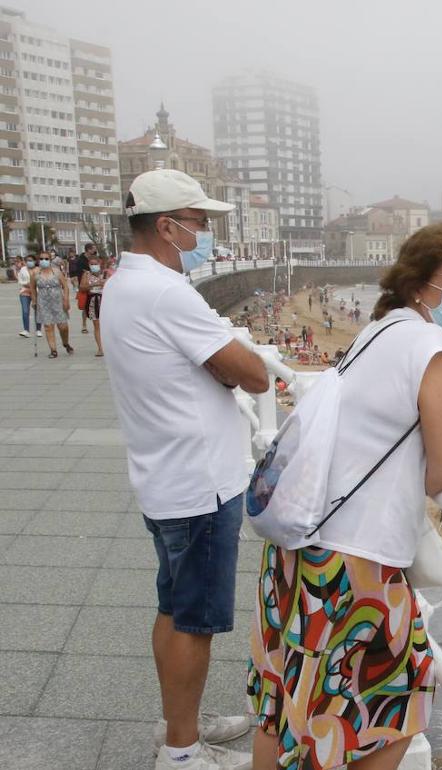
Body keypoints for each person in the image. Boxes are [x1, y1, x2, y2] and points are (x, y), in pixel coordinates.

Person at [247, 220, 442, 770]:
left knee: (285, 706)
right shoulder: (432, 345)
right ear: (418, 284)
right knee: (397, 705)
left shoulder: (377, 331)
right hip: (354, 567)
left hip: (298, 549)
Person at [102, 170, 269, 770]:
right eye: (197, 221)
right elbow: (253, 374)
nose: (204, 231)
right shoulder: (167, 293)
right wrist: (233, 357)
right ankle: (180, 752)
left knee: (172, 609)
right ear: (166, 226)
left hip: (164, 474)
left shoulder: (124, 283)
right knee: (193, 623)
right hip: (199, 484)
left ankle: (181, 723)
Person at [28, 250, 73, 358]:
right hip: (43, 301)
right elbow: (33, 288)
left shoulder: (56, 271)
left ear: (50, 260)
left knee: (63, 326)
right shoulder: (35, 273)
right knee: (48, 326)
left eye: (46, 259)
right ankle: (53, 350)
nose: (44, 261)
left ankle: (65, 343)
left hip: (58, 300)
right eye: (42, 259)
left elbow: (65, 286)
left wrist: (66, 299)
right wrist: (34, 300)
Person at [80, 251, 109, 356]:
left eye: (95, 264)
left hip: (106, 300)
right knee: (97, 325)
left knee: (107, 324)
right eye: (91, 264)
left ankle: (109, 346)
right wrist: (94, 284)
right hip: (93, 300)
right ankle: (100, 348)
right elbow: (82, 288)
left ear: (99, 263)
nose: (93, 266)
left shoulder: (106, 273)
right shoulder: (86, 274)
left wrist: (105, 283)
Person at [70, 242, 94, 334]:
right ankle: (84, 325)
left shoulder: (93, 258)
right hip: (84, 285)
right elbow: (79, 272)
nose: (94, 250)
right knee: (84, 306)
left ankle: (98, 324)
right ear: (88, 249)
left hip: (94, 285)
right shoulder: (80, 259)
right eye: (93, 248)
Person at [15, 254, 36, 337]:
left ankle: (38, 330)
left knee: (37, 311)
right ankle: (26, 330)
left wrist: (33, 285)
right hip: (24, 291)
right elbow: (20, 281)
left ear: (35, 261)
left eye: (31, 260)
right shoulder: (22, 269)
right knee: (25, 311)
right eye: (27, 260)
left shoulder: (37, 269)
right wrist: (27, 284)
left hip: (35, 292)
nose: (29, 262)